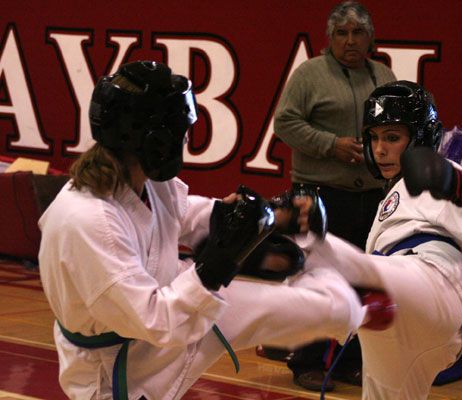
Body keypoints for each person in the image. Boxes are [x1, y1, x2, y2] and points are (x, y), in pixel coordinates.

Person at [37, 60, 369, 400]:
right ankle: (359, 307)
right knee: (257, 300)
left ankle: (357, 306)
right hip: (113, 370)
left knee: (299, 303)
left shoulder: (141, 180)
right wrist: (216, 265)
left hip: (150, 328)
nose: (184, 141)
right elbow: (157, 320)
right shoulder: (90, 222)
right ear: (156, 140)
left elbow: (186, 216)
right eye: (181, 133)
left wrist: (272, 215)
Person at [293, 80, 462, 399]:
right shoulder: (390, 196)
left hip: (431, 282)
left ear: (422, 139)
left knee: (329, 264)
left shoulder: (439, 175)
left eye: (393, 138)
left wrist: (460, 188)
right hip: (410, 312)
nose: (380, 149)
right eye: (374, 138)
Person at [274, 0, 396, 390]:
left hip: (371, 197)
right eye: (341, 33)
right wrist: (331, 145)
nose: (350, 41)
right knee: (315, 279)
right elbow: (285, 122)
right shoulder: (310, 74)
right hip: (319, 194)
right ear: (329, 38)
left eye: (358, 33)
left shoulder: (383, 75)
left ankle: (349, 361)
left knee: (362, 279)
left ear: (370, 38)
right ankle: (306, 361)